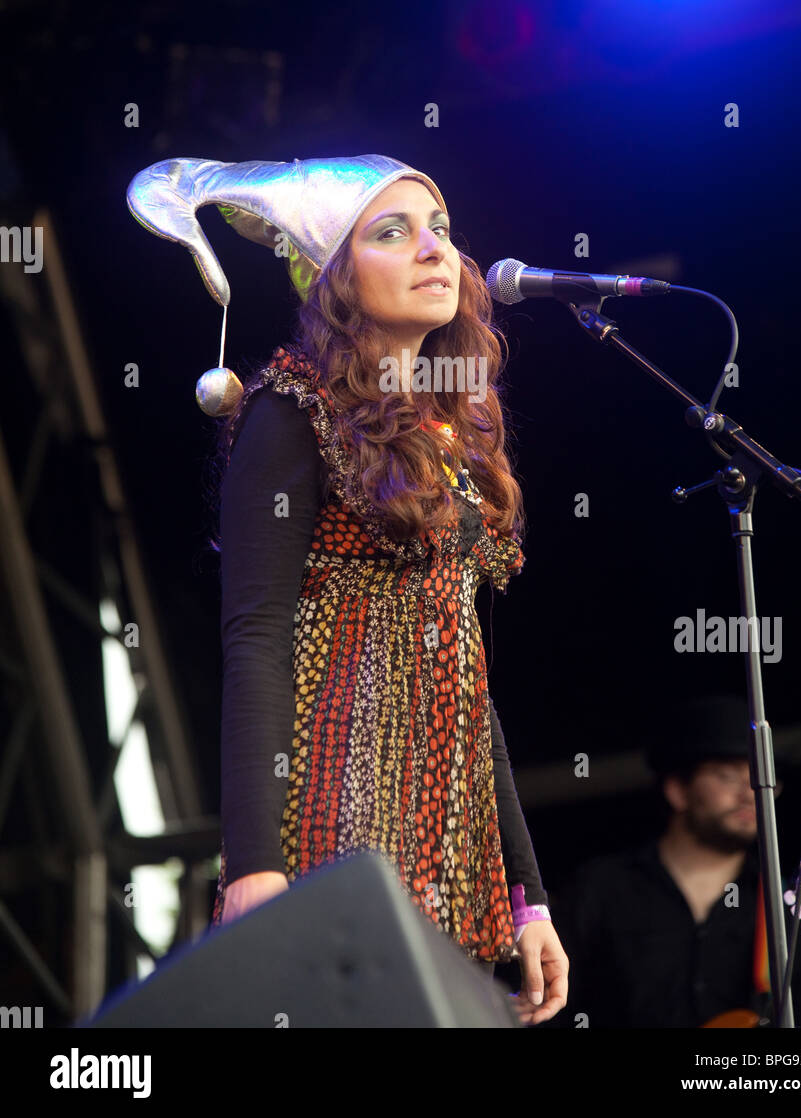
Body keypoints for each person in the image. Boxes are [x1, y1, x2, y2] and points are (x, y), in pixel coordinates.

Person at [126, 153, 568, 1025]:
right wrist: (255, 862)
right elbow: (255, 637)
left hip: (451, 845)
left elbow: (469, 684)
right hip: (330, 823)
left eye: (440, 231)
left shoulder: (451, 433)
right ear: (329, 275)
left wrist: (530, 897)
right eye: (393, 233)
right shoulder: (292, 411)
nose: (435, 251)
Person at [551, 696, 801, 1028]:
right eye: (728, 776)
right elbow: (551, 1008)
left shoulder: (788, 909)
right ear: (678, 791)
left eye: (763, 779)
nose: (750, 793)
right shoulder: (600, 889)